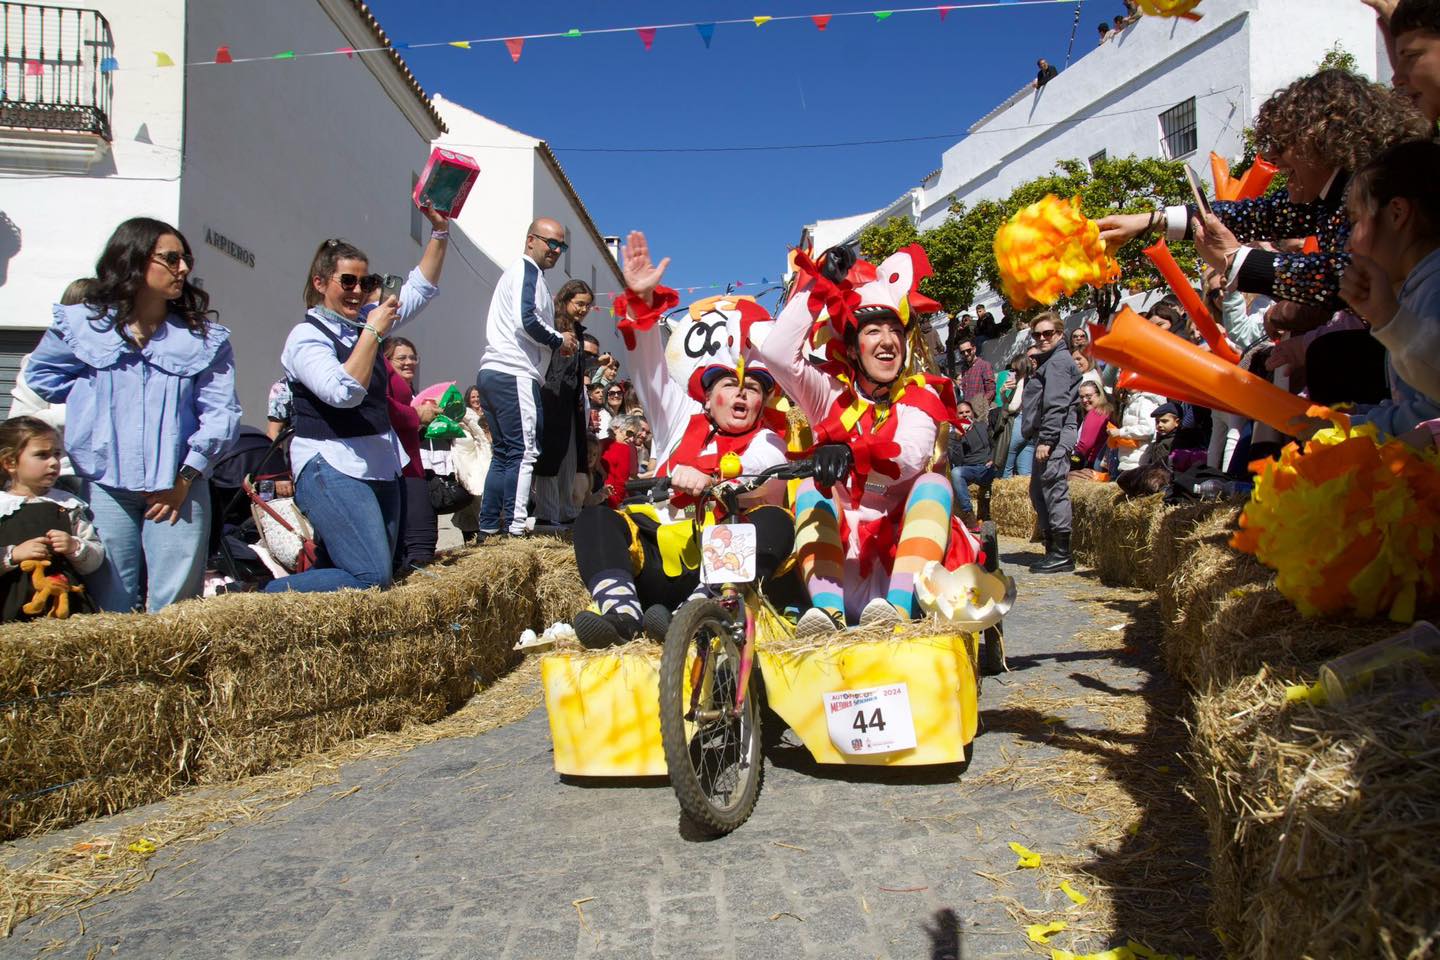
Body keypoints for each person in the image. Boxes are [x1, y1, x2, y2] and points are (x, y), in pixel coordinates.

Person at [570, 231, 793, 648]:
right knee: (596, 518)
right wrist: (640, 303)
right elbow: (647, 366)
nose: (742, 394)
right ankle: (621, 615)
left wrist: (709, 481)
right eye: (729, 384)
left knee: (775, 522)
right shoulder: (679, 415)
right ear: (706, 397)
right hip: (660, 558)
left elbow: (767, 479)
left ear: (764, 401)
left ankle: (700, 611)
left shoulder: (768, 440)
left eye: (753, 388)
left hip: (716, 569)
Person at [755, 243, 980, 634]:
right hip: (841, 567)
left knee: (933, 483)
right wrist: (819, 285)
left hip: (907, 567)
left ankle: (898, 618)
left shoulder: (920, 398)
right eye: (874, 331)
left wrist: (852, 450)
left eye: (895, 331)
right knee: (811, 487)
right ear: (854, 350)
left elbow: (909, 457)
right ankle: (828, 617)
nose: (888, 340)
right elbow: (776, 352)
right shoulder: (826, 393)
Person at [26, 218, 241, 612]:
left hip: (178, 487)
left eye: (185, 259)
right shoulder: (84, 326)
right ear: (134, 259)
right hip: (106, 484)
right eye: (172, 258)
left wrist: (186, 477)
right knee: (110, 601)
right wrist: (93, 399)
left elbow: (222, 416)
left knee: (175, 606)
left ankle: (173, 675)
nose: (183, 269)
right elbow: (42, 377)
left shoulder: (204, 340)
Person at [1098, 69, 1428, 311]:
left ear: (1327, 140)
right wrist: (1148, 220)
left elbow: (1344, 275)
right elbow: (1256, 215)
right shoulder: (1327, 194)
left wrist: (1235, 259)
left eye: (1284, 144)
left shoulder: (1368, 188)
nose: (1272, 157)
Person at [264, 205, 450, 593]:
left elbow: (419, 290)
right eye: (347, 281)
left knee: (379, 571)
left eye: (365, 283)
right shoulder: (307, 337)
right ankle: (262, 600)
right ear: (320, 282)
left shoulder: (364, 322)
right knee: (370, 577)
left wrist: (439, 233)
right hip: (331, 464)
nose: (358, 291)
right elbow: (343, 392)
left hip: (380, 463)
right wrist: (372, 333)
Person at [475, 218, 577, 540]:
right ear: (531, 240)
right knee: (523, 451)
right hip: (513, 371)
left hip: (497, 371)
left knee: (505, 453)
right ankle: (515, 530)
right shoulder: (526, 270)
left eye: (561, 245)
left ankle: (489, 528)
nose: (556, 250)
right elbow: (526, 320)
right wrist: (560, 340)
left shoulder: (526, 274)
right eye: (551, 243)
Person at [1333, 138, 1440, 436]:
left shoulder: (1434, 286)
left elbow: (1431, 416)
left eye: (1355, 221)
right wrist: (1361, 415)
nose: (1349, 242)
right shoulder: (1415, 288)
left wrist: (1351, 430)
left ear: (1396, 213)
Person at [0, 416, 103, 621]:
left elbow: (95, 560)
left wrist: (74, 546)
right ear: (10, 462)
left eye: (56, 454)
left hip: (65, 608)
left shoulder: (68, 505)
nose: (54, 463)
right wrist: (12, 554)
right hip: (8, 608)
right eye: (42, 455)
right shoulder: (2, 506)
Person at [1021, 312, 1080, 573]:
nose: (1042, 338)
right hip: (1046, 433)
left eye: (1048, 333)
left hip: (1054, 433)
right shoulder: (1049, 361)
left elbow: (1056, 403)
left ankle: (1061, 553)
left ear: (1059, 334)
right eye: (1037, 335)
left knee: (1054, 490)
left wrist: (1047, 438)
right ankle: (1051, 547)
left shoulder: (1057, 362)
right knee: (1039, 491)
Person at [533, 279, 594, 526]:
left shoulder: (577, 331)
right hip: (553, 398)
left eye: (587, 306)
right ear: (566, 300)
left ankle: (566, 508)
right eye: (579, 304)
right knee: (552, 455)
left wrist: (594, 364)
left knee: (569, 456)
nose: (583, 309)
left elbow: (573, 367)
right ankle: (547, 512)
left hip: (570, 403)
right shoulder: (554, 326)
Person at [383, 336, 439, 571]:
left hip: (413, 465)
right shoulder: (386, 386)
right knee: (417, 538)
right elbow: (387, 413)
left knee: (421, 539)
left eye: (413, 357)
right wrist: (416, 415)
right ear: (387, 361)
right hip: (396, 468)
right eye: (402, 358)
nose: (409, 362)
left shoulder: (412, 392)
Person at [452, 386, 493, 544]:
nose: (476, 400)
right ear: (468, 399)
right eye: (473, 397)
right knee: (473, 501)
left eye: (479, 396)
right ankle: (470, 538)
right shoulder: (465, 416)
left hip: (487, 460)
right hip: (471, 463)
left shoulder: (489, 414)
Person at [948, 399, 993, 530]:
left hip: (986, 466)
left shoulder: (982, 426)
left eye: (967, 411)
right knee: (956, 473)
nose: (965, 415)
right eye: (961, 413)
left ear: (972, 412)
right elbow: (955, 460)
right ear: (956, 416)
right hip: (969, 468)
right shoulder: (953, 435)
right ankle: (969, 515)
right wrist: (957, 438)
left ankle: (984, 513)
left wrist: (992, 459)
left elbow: (994, 445)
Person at [1071, 381, 1114, 476]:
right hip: (1101, 463)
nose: (1084, 400)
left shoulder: (1096, 413)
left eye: (1088, 396)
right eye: (1081, 397)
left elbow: (1085, 445)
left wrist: (1073, 462)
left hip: (1091, 464)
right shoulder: (1106, 411)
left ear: (1099, 395)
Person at [953, 335, 996, 425]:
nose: (966, 354)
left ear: (974, 349)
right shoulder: (964, 369)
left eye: (968, 350)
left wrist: (980, 407)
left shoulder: (984, 365)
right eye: (962, 352)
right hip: (970, 416)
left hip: (983, 414)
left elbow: (991, 390)